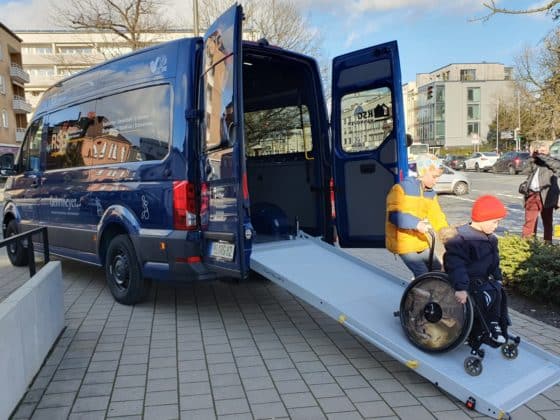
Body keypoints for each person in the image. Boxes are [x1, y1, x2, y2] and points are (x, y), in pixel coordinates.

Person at [443, 195, 508, 345]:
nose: (496, 226)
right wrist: (460, 288)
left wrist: (497, 276)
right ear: (482, 219)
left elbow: (494, 260)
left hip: (481, 280)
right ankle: (479, 330)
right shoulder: (461, 239)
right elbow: (456, 265)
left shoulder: (491, 238)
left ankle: (493, 323)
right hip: (466, 281)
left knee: (497, 291)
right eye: (494, 221)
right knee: (484, 295)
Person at [386, 153, 448, 277]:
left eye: (438, 178)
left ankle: (434, 294)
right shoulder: (401, 189)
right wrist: (416, 224)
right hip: (403, 243)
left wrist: (447, 233)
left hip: (420, 241)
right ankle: (419, 295)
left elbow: (437, 217)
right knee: (423, 275)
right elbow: (394, 216)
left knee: (438, 270)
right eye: (434, 177)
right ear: (423, 171)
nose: (436, 181)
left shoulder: (430, 194)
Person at [521, 141, 559, 242]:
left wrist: (541, 156)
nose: (541, 152)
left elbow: (556, 165)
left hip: (546, 195)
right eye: (539, 150)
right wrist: (531, 156)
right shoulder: (535, 161)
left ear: (548, 151)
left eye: (543, 150)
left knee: (547, 222)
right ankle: (526, 244)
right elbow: (524, 170)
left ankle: (547, 244)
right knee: (530, 221)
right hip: (532, 194)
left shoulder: (553, 161)